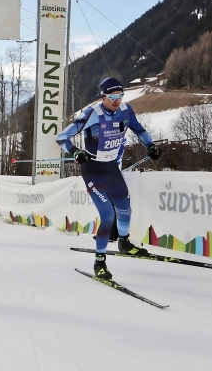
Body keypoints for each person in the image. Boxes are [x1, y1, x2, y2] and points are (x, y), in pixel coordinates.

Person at [55, 77, 162, 280]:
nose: (116, 100)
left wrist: (151, 145)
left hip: (111, 167)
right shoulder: (92, 114)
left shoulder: (126, 111)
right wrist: (75, 151)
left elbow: (139, 130)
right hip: (93, 169)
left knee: (125, 209)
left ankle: (124, 242)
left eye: (120, 95)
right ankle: (100, 262)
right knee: (107, 216)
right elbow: (62, 137)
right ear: (103, 96)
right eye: (112, 96)